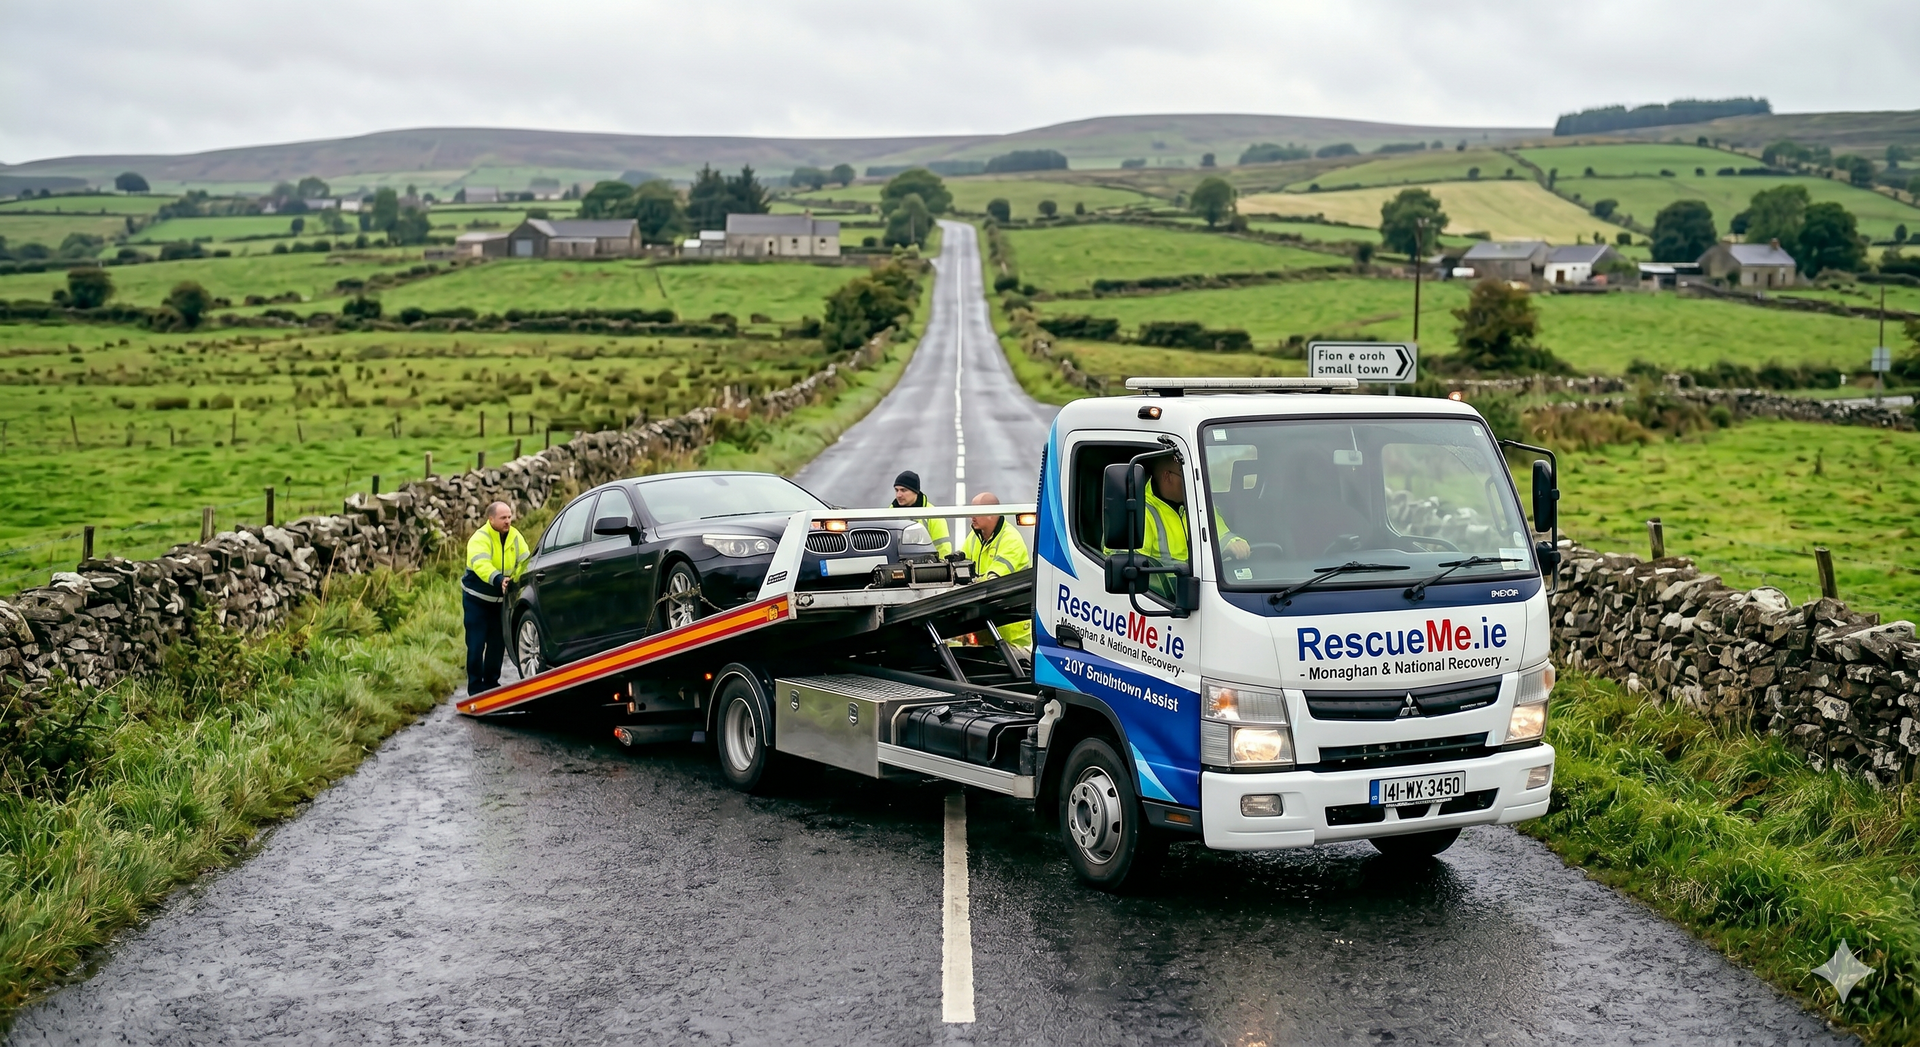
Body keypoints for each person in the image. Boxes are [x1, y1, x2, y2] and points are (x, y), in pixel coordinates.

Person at [463, 500, 531, 695]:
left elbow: (525, 561)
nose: (508, 521)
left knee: (497, 644)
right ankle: (475, 687)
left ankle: (492, 684)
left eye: (509, 517)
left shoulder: (516, 536)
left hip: (500, 603)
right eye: (503, 518)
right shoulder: (479, 538)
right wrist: (498, 579)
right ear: (491, 519)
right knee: (476, 644)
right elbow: (481, 565)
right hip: (476, 600)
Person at [1141, 453, 1250, 565]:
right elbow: (1139, 565)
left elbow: (1221, 533)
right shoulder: (1143, 512)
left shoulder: (1199, 500)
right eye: (1187, 478)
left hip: (1204, 575)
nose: (1193, 483)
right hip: (1170, 581)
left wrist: (1234, 543)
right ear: (1167, 477)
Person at [962, 492, 1033, 647]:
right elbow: (961, 569)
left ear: (992, 515)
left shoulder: (1011, 539)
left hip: (1011, 631)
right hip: (987, 624)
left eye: (977, 513)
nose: (971, 517)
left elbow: (994, 581)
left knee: (1019, 669)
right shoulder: (974, 537)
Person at [892, 470, 953, 558]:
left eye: (903, 490)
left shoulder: (933, 515)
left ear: (915, 491)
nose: (898, 495)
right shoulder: (890, 512)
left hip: (925, 568)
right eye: (896, 490)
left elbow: (943, 548)